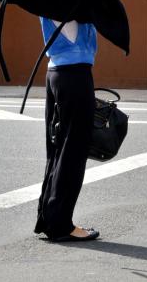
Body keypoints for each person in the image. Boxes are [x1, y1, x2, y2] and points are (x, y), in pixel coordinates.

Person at [34, 17, 100, 242]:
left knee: (58, 149)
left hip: (57, 70)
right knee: (73, 150)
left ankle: (49, 218)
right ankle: (61, 224)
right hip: (74, 73)